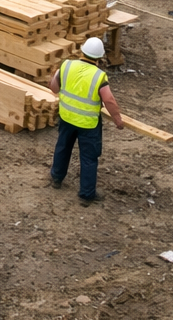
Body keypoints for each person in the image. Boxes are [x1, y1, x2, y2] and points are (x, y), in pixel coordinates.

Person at [47, 37, 124, 207]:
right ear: (99, 57)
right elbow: (109, 100)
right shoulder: (99, 76)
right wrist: (118, 120)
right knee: (89, 158)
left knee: (63, 147)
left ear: (82, 51)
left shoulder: (66, 66)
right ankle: (86, 194)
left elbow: (53, 87)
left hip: (66, 117)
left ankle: (56, 178)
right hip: (88, 124)